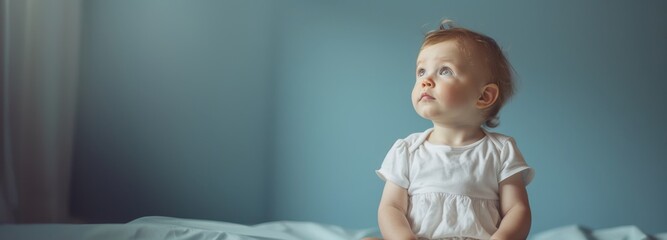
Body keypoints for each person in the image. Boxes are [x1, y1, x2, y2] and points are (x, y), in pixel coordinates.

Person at [368, 20, 535, 240]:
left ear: (484, 96)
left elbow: (517, 209)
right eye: (421, 71)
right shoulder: (407, 150)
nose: (425, 80)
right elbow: (391, 208)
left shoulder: (501, 150)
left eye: (445, 71)